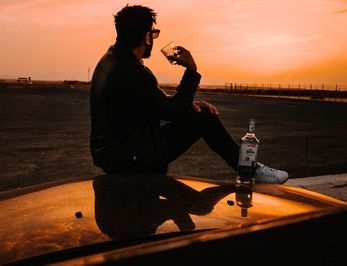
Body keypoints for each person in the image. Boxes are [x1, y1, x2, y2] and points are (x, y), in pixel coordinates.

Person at [89, 4, 288, 184]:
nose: (153, 39)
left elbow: (149, 103)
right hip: (130, 157)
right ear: (146, 37)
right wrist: (191, 70)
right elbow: (172, 111)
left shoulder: (111, 59)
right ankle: (249, 170)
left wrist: (190, 103)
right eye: (153, 34)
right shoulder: (134, 71)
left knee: (198, 113)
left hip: (115, 152)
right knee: (205, 118)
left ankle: (246, 169)